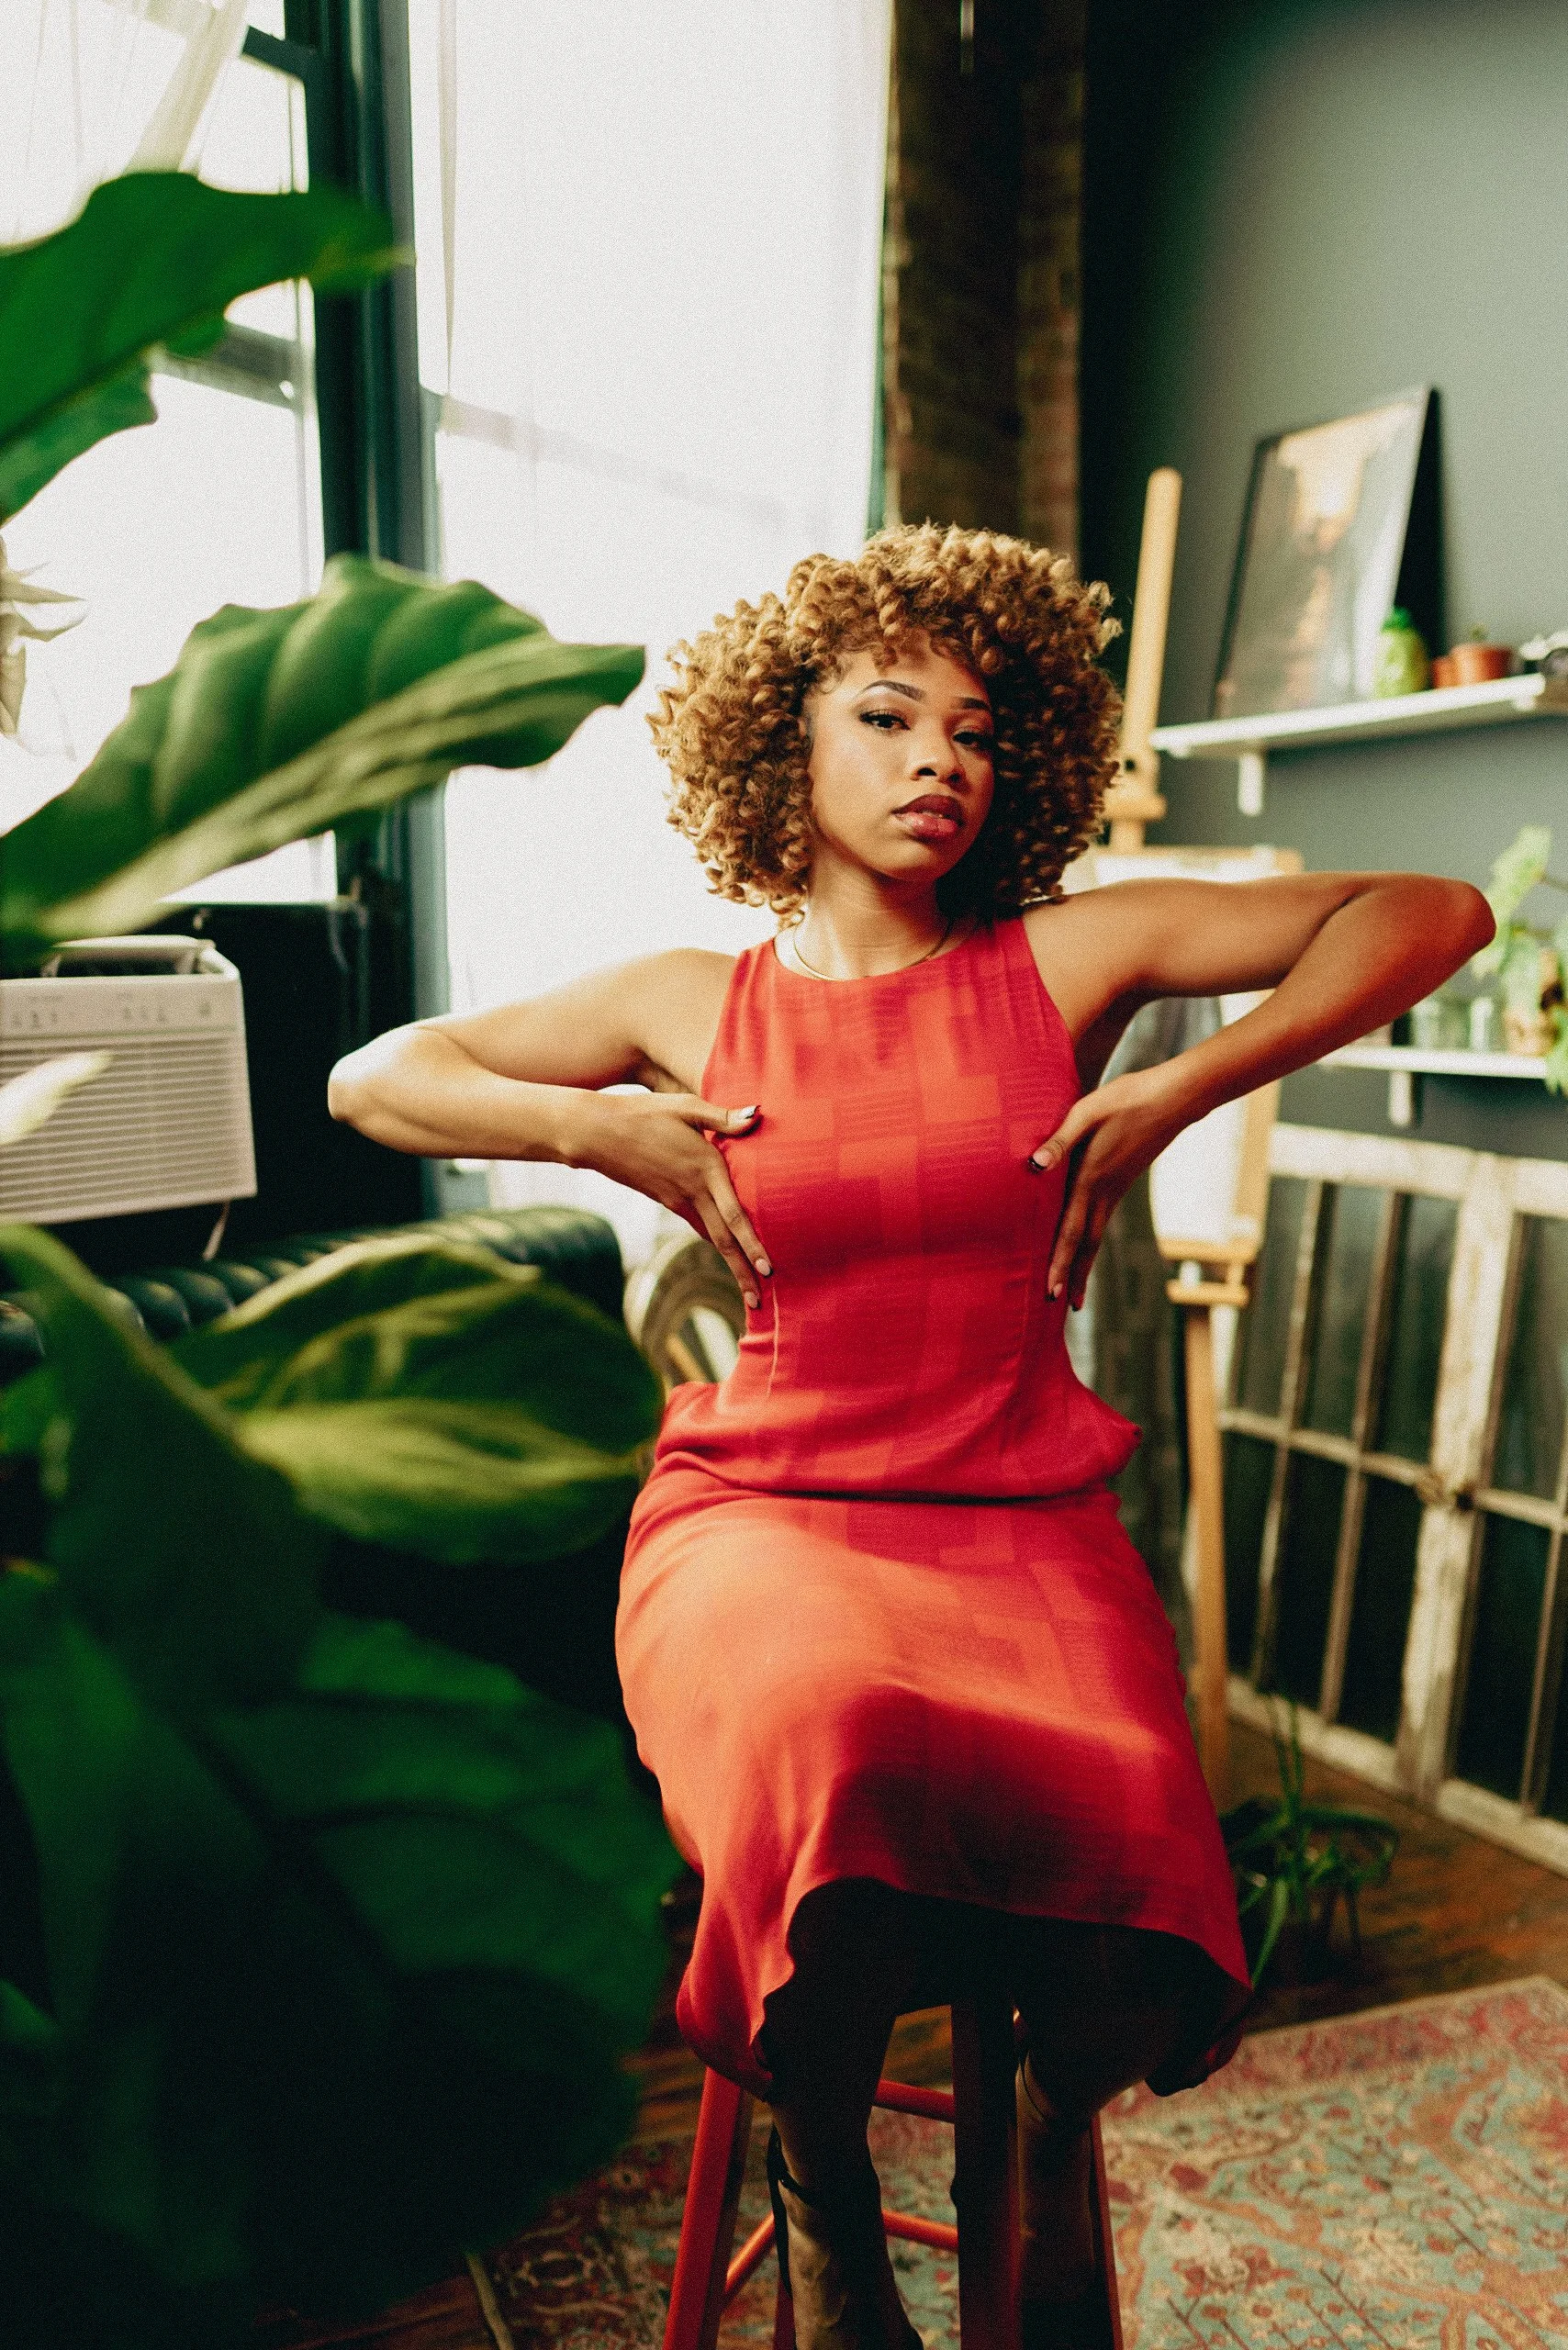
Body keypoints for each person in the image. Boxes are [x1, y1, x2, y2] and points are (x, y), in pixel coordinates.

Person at [329, 523, 1492, 2350]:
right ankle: (824, 2193)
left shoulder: (1066, 956)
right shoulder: (678, 998)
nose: (937, 756)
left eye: (971, 726)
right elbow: (372, 1071)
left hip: (1014, 1509)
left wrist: (1179, 1077)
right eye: (885, 715)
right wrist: (598, 1132)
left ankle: (1039, 2111)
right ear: (775, 744)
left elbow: (1432, 909)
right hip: (761, 1508)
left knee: (1139, 1828)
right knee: (832, 1732)